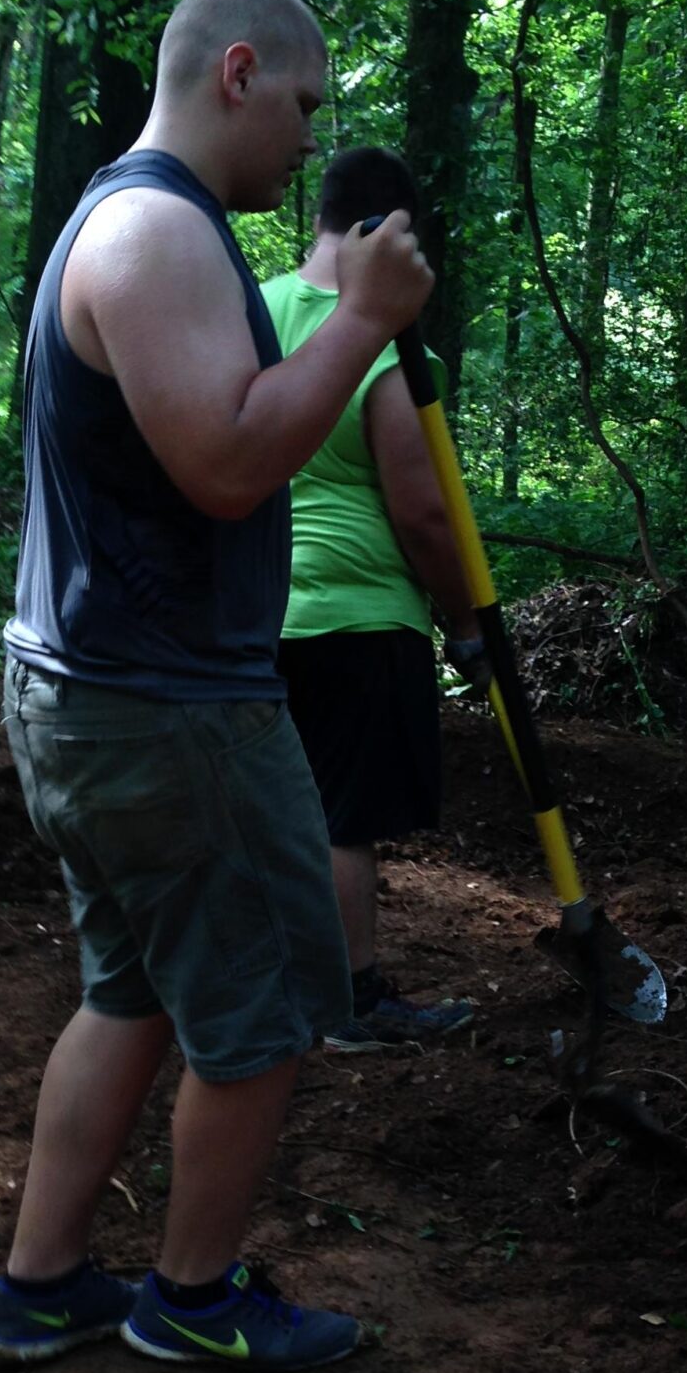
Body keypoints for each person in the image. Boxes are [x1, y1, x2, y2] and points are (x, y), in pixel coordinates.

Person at [0, 0, 434, 1373]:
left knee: (136, 993)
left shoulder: (123, 217)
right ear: (237, 73)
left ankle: (41, 1289)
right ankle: (194, 1297)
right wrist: (363, 322)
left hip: (95, 691)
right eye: (300, 103)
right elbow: (229, 465)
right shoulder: (161, 232)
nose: (309, 140)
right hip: (164, 709)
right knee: (267, 1009)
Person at [263, 146, 489, 1051]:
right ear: (390, 232)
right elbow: (426, 510)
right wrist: (465, 622)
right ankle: (352, 1001)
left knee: (276, 808)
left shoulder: (254, 310)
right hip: (358, 617)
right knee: (343, 818)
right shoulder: (389, 344)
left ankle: (272, 981)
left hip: (255, 611)